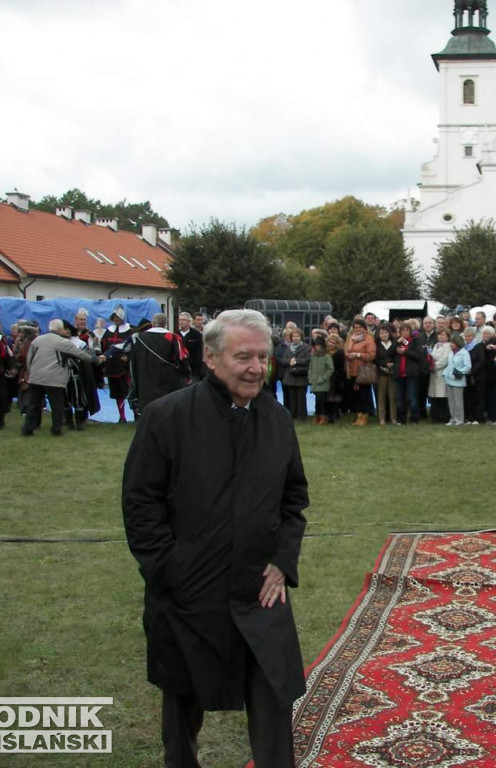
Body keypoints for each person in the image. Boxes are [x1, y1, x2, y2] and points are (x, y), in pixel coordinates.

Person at [122, 309, 308, 768]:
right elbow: (141, 504)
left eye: (263, 357)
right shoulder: (166, 417)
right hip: (188, 588)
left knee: (273, 691)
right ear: (210, 357)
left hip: (258, 586)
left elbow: (293, 498)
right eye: (243, 356)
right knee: (183, 696)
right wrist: (169, 568)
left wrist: (283, 560)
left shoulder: (278, 419)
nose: (256, 368)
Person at [22, 319, 99, 437]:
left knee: (34, 404)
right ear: (59, 329)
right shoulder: (62, 342)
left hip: (36, 377)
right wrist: (96, 360)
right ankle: (56, 429)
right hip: (54, 378)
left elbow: (29, 359)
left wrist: (32, 372)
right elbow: (80, 354)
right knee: (57, 405)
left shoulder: (37, 340)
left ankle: (28, 429)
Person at [130, 314, 192, 417]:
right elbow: (182, 358)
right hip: (168, 379)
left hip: (146, 378)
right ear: (166, 324)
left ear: (153, 323)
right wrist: (188, 374)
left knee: (148, 407)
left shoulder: (140, 338)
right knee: (168, 407)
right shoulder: (173, 337)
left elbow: (134, 360)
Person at [101, 306, 134, 423]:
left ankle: (135, 414)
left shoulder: (130, 330)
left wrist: (128, 357)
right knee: (117, 393)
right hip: (112, 365)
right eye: (114, 317)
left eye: (118, 317)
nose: (116, 319)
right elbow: (104, 346)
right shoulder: (109, 330)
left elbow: (133, 346)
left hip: (125, 366)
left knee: (129, 390)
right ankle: (122, 416)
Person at [344, 317, 376, 426]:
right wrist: (348, 355)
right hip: (352, 370)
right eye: (355, 327)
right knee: (356, 395)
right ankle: (359, 416)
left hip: (363, 371)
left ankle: (365, 416)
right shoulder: (351, 338)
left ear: (364, 328)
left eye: (359, 327)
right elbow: (347, 350)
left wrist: (357, 355)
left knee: (364, 395)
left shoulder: (368, 339)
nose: (357, 329)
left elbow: (371, 355)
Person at [274, 327, 310, 422]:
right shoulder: (288, 348)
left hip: (301, 376)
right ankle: (292, 415)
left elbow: (307, 359)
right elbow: (283, 359)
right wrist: (289, 361)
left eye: (297, 336)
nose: (295, 338)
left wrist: (297, 361)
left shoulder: (306, 348)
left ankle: (301, 415)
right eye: (294, 336)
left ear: (301, 337)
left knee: (301, 397)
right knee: (291, 398)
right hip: (289, 376)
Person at [443, 332, 471, 426]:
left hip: (458, 381)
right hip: (449, 380)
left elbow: (467, 367)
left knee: (458, 402)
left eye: (453, 343)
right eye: (451, 343)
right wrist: (445, 374)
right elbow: (449, 366)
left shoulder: (464, 353)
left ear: (458, 343)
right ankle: (453, 418)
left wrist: (457, 374)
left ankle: (460, 419)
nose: (452, 345)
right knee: (451, 401)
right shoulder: (451, 354)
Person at [373, 324, 398, 426]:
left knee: (393, 397)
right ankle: (382, 418)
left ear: (389, 333)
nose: (384, 334)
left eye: (386, 332)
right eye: (382, 333)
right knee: (381, 397)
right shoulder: (376, 344)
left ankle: (393, 418)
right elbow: (375, 359)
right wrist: (384, 364)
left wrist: (392, 365)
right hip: (381, 374)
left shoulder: (395, 343)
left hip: (392, 374)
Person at [429, 329, 453, 424]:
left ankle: (443, 417)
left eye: (443, 335)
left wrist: (433, 366)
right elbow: (432, 356)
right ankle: (435, 417)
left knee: (442, 395)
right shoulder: (435, 345)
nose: (441, 337)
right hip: (434, 374)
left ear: (447, 336)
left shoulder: (448, 346)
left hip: (442, 372)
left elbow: (445, 359)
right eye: (439, 335)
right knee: (434, 396)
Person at [308, 335, 333, 425]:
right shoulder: (313, 356)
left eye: (319, 345)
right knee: (317, 400)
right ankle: (317, 416)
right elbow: (310, 367)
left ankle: (323, 417)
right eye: (316, 345)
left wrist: (323, 378)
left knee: (321, 401)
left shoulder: (326, 356)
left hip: (323, 383)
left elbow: (330, 369)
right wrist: (310, 377)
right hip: (314, 382)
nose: (317, 347)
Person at [178, 312, 204, 381]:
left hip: (193, 369)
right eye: (180, 320)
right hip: (179, 370)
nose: (181, 322)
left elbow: (199, 354)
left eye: (184, 320)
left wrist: (196, 372)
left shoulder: (197, 335)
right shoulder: (175, 335)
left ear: (189, 321)